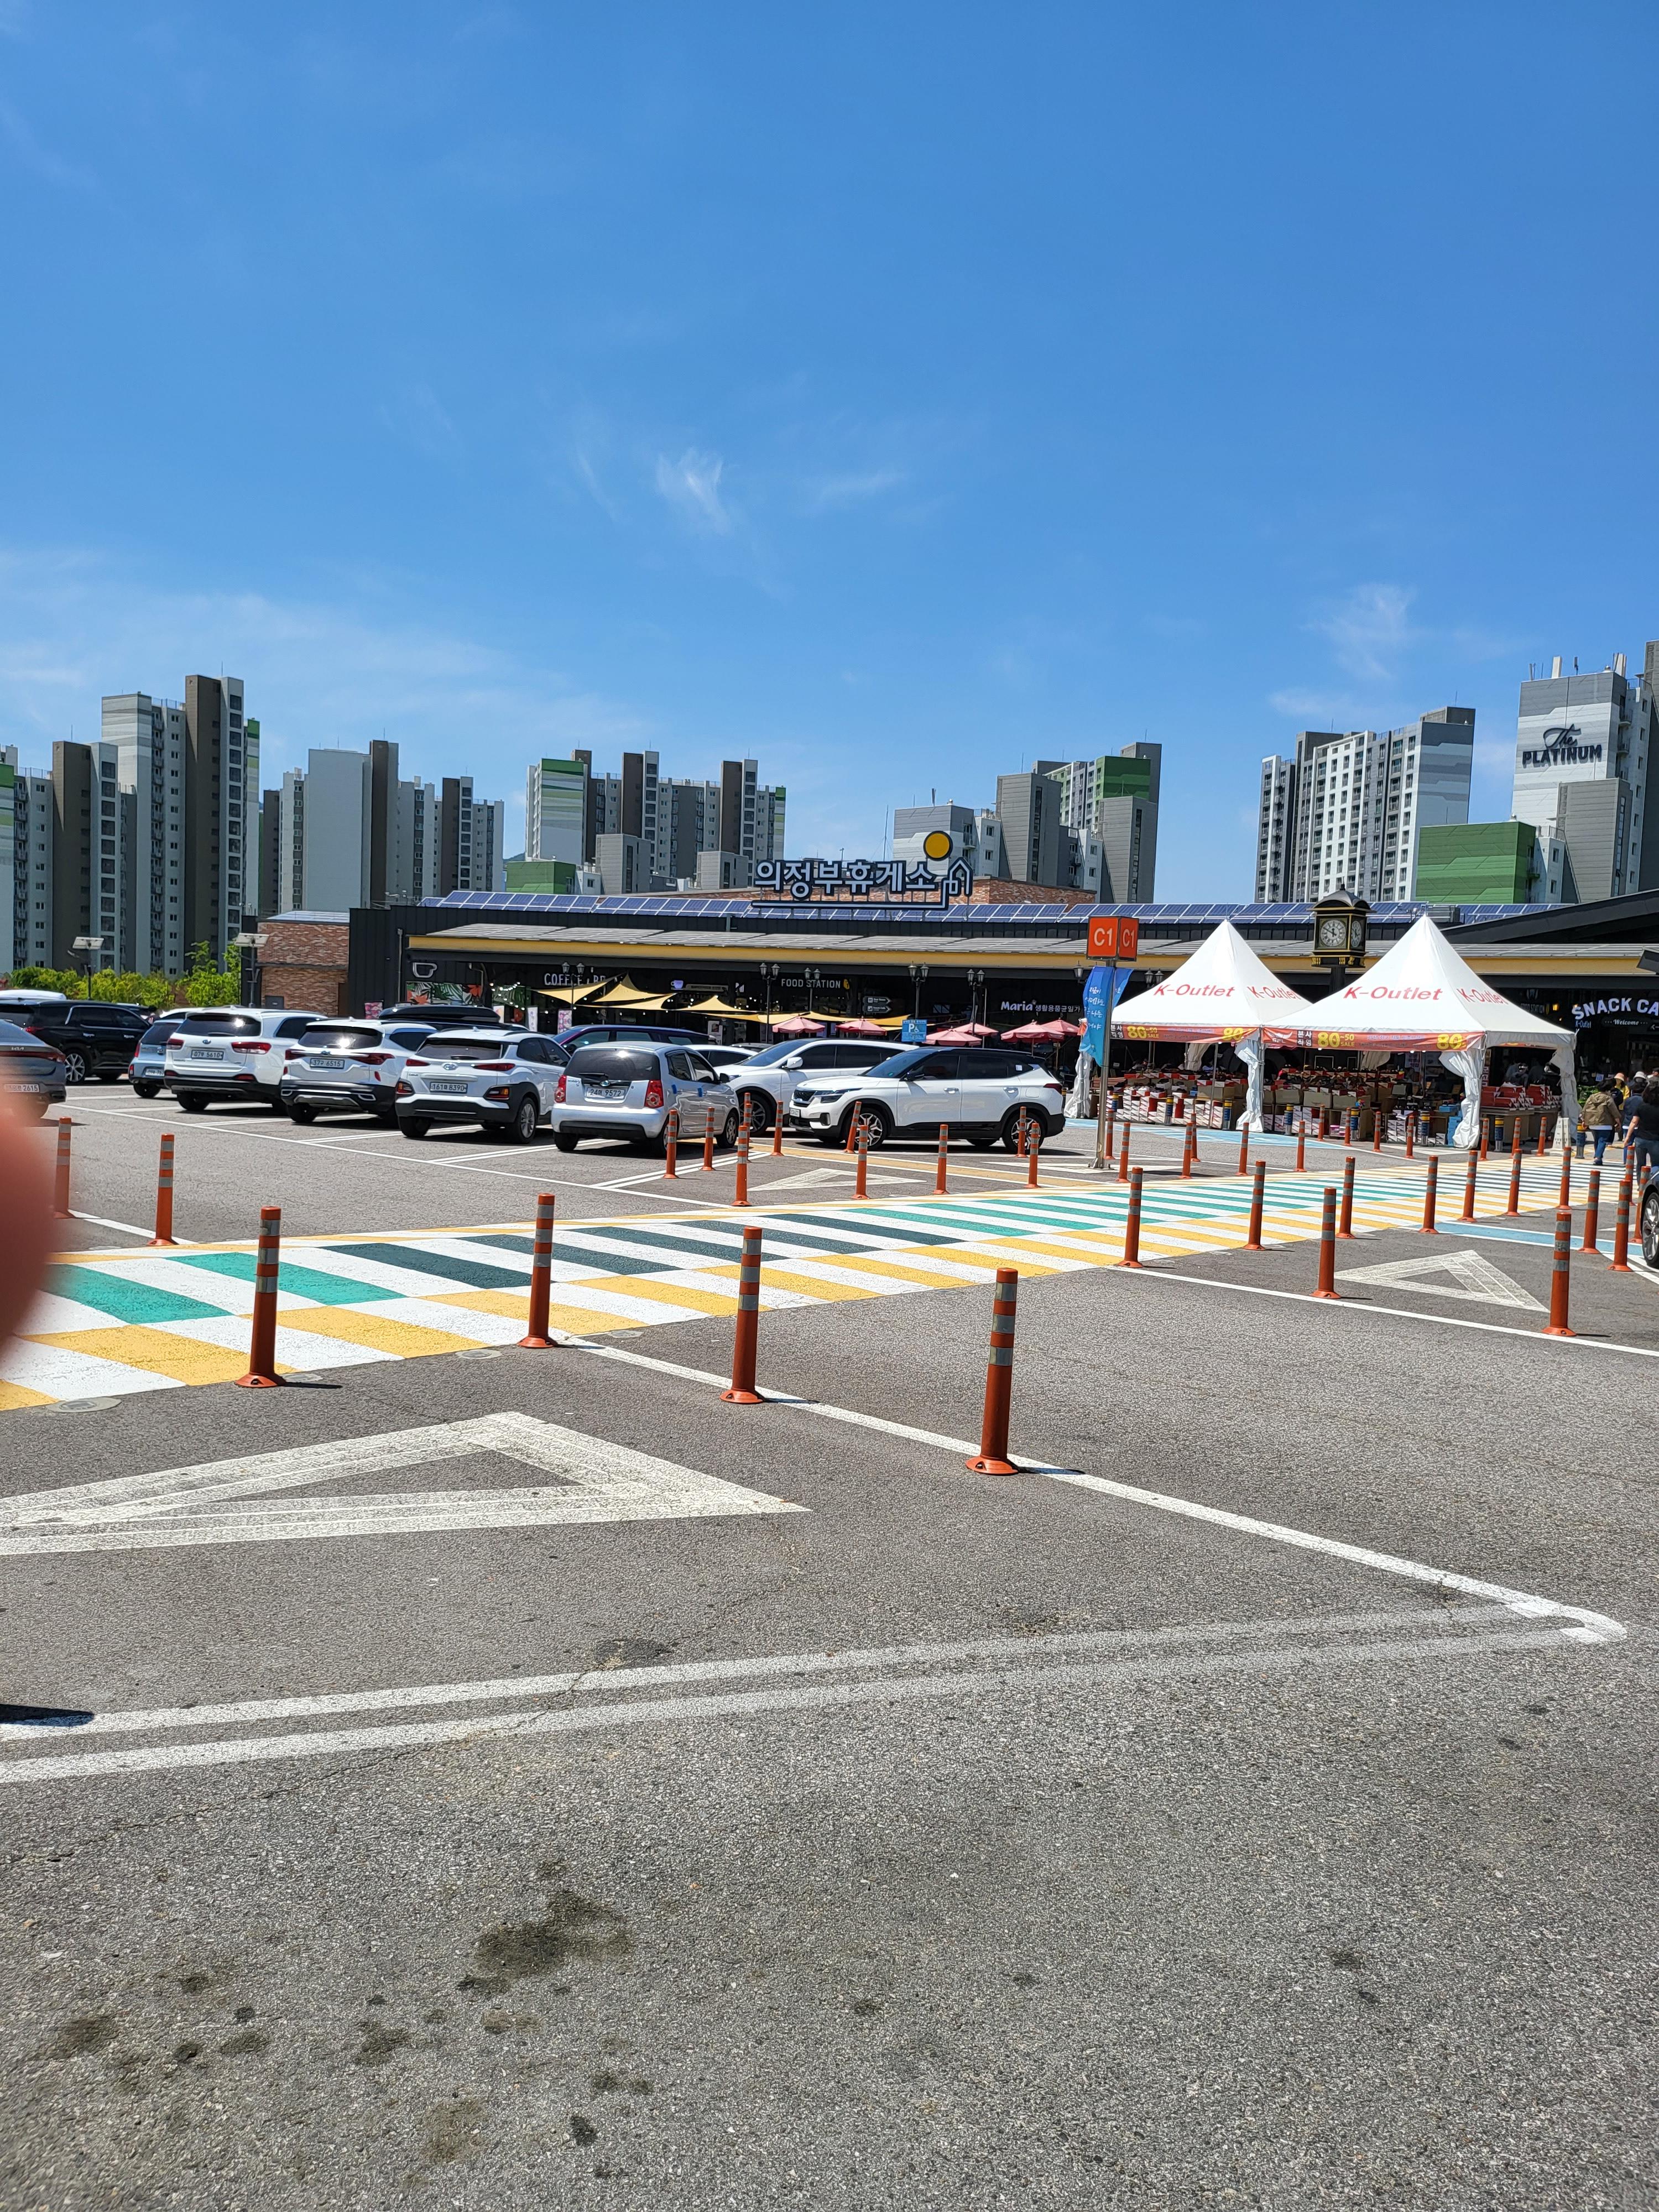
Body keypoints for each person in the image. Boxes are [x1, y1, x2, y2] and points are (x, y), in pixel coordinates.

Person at [1623, 1078, 1659, 1190]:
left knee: (1640, 1164)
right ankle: (1654, 1185)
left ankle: (1641, 1185)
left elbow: (1634, 1122)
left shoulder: (1642, 1106)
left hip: (1641, 1139)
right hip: (1656, 1140)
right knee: (1656, 1164)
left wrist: (1628, 1137)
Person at [1580, 1082, 1616, 1166]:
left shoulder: (1591, 1098)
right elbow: (1614, 1111)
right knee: (1602, 1141)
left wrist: (1584, 1120)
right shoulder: (1608, 1098)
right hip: (1605, 1123)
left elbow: (1585, 1109)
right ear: (1608, 1090)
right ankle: (1598, 1157)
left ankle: (1599, 1158)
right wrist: (1618, 1120)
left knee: (1597, 1140)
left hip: (1592, 1123)